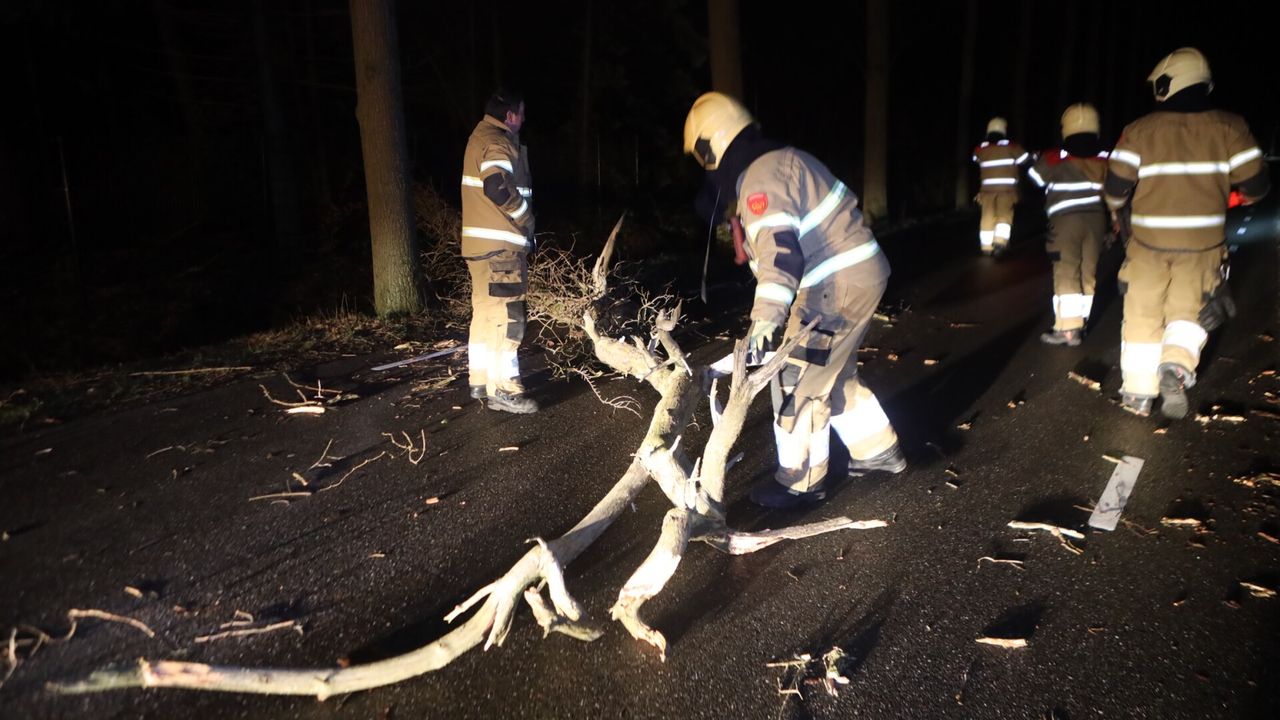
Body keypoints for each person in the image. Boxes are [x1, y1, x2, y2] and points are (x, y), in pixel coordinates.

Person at [684, 92, 906, 509]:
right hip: (852, 275)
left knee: (794, 379)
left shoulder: (760, 178)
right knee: (831, 373)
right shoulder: (780, 161)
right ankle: (877, 450)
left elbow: (781, 255)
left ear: (711, 148)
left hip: (833, 283)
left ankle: (800, 483)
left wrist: (766, 320)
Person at [1103, 48, 1269, 418]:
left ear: (1166, 85)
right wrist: (1235, 195)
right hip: (1202, 245)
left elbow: (1115, 190)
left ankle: (1138, 393)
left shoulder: (1139, 131)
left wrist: (1119, 210)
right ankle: (1176, 367)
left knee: (1142, 311)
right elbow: (1257, 187)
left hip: (1146, 244)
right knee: (1187, 311)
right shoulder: (1230, 127)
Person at [460, 91, 538, 414]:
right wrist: (525, 217)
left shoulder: (479, 138)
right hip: (501, 248)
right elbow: (496, 185)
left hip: (481, 248)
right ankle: (504, 388)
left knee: (485, 313)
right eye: (521, 113)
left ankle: (479, 380)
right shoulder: (497, 141)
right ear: (509, 116)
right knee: (508, 316)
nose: (523, 119)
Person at [1027, 103, 1111, 346]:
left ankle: (1068, 330)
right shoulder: (1105, 158)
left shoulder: (1054, 158)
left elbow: (1034, 179)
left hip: (1065, 222)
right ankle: (1081, 323)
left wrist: (1038, 159)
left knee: (1066, 271)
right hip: (1096, 221)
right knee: (1088, 272)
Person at [972, 117, 1031, 255]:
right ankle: (1000, 242)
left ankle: (986, 246)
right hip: (1007, 190)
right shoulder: (1012, 147)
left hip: (986, 191)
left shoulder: (981, 149)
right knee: (1004, 215)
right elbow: (1026, 159)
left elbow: (975, 159)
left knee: (987, 217)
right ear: (1004, 131)